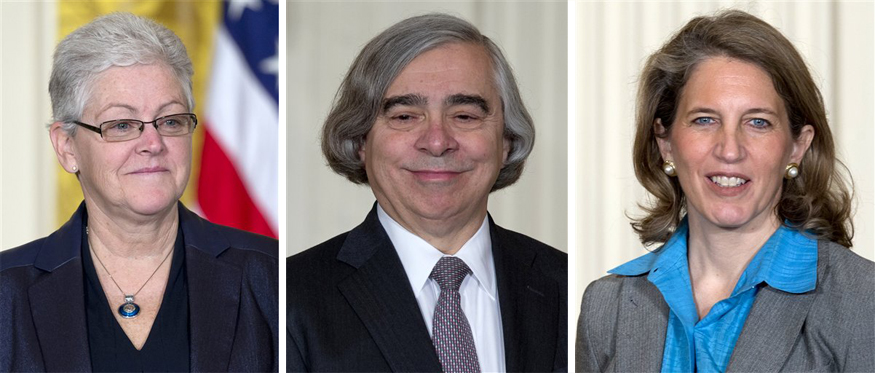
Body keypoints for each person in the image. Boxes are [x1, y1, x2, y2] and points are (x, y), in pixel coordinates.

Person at [576, 10, 874, 372]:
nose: (730, 150)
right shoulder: (607, 308)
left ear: (797, 146)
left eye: (758, 122)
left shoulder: (863, 301)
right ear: (665, 142)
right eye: (705, 120)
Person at [287, 13, 567, 372]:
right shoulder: (291, 298)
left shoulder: (567, 285)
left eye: (465, 116)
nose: (437, 142)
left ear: (507, 143)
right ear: (360, 141)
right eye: (405, 116)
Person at [0, 13, 278, 372]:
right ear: (67, 146)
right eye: (121, 125)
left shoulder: (270, 277)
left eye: (171, 121)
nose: (153, 143)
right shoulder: (6, 291)